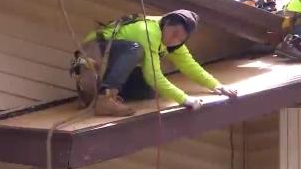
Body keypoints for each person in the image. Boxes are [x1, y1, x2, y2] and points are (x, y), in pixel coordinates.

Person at [73, 10, 238, 117]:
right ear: (166, 23)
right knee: (135, 49)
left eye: (181, 38)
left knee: (149, 91)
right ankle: (105, 98)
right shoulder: (148, 31)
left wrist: (217, 85)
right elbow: (154, 75)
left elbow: (190, 66)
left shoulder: (175, 44)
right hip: (92, 58)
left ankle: (103, 97)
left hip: (105, 68)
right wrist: (184, 99)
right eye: (174, 33)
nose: (175, 40)